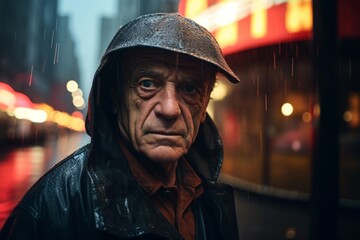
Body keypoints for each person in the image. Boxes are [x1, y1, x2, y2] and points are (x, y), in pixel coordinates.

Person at [0, 13, 240, 240]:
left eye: (189, 89)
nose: (169, 109)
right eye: (147, 84)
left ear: (204, 104)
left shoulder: (211, 198)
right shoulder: (54, 205)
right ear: (115, 97)